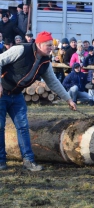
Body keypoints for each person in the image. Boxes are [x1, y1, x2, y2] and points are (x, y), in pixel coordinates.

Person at [0, 31, 76, 172]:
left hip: (16, 96)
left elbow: (53, 82)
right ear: (39, 44)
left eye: (52, 45)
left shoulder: (45, 62)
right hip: (2, 93)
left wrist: (68, 99)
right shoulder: (20, 49)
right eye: (48, 45)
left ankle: (28, 161)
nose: (51, 48)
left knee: (23, 127)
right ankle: (0, 161)